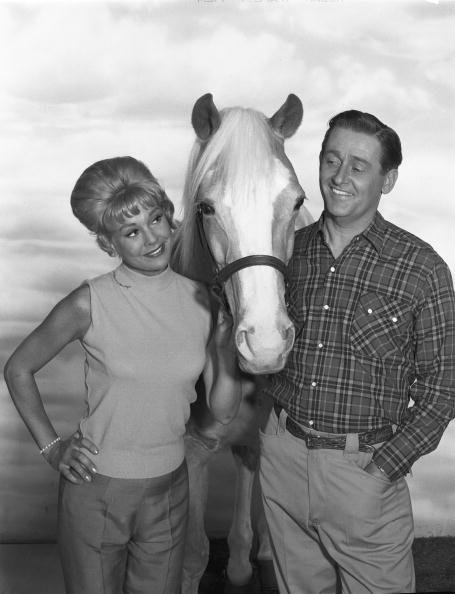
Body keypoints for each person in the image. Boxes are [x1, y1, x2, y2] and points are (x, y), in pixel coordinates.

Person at [4, 156, 241, 594]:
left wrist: (225, 353)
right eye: (132, 232)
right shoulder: (88, 302)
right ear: (109, 245)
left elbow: (222, 412)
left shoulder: (204, 302)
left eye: (156, 220)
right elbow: (18, 368)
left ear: (171, 219)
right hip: (97, 489)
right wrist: (53, 448)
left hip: (172, 487)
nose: (151, 239)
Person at [259, 110, 455, 594]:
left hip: (363, 472)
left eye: (359, 166)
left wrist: (382, 471)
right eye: (332, 159)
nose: (339, 177)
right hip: (284, 460)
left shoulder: (421, 268)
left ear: (387, 180)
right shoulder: (287, 251)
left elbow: (443, 389)